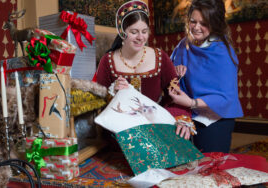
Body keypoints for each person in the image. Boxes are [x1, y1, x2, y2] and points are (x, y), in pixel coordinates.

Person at [93, 0, 192, 139]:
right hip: (121, 132)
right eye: (134, 32)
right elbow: (98, 103)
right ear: (122, 32)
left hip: (156, 129)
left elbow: (175, 97)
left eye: (144, 31)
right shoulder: (107, 61)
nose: (141, 37)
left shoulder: (160, 57)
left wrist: (181, 120)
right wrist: (113, 93)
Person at [169, 0, 243, 153]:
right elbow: (168, 75)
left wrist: (191, 102)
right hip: (186, 115)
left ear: (215, 24)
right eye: (193, 21)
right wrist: (175, 70)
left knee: (210, 169)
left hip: (215, 119)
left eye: (203, 23)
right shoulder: (183, 45)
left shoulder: (223, 53)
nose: (196, 27)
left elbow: (225, 97)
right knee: (183, 167)